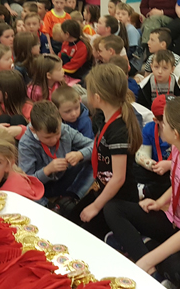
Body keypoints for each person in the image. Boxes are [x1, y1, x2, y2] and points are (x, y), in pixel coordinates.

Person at [105, 97, 180, 287]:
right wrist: (158, 202)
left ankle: (143, 248)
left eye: (162, 122)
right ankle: (149, 260)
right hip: (172, 220)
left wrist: (146, 260)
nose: (158, 125)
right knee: (113, 209)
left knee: (175, 269)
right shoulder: (177, 149)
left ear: (176, 133)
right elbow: (177, 183)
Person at [70, 64, 142, 239]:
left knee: (82, 236)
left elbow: (118, 178)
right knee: (70, 220)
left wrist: (96, 206)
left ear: (97, 97)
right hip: (103, 189)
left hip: (119, 198)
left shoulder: (118, 129)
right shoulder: (103, 117)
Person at [134, 94, 172, 201]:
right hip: (156, 169)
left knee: (170, 181)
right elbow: (141, 155)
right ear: (156, 120)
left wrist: (169, 165)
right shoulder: (149, 128)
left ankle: (147, 191)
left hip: (174, 170)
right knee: (133, 167)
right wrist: (152, 165)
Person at [0, 70, 32, 140]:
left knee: (17, 119)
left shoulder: (28, 107)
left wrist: (21, 130)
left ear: (5, 95)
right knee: (3, 119)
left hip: (22, 146)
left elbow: (37, 132)